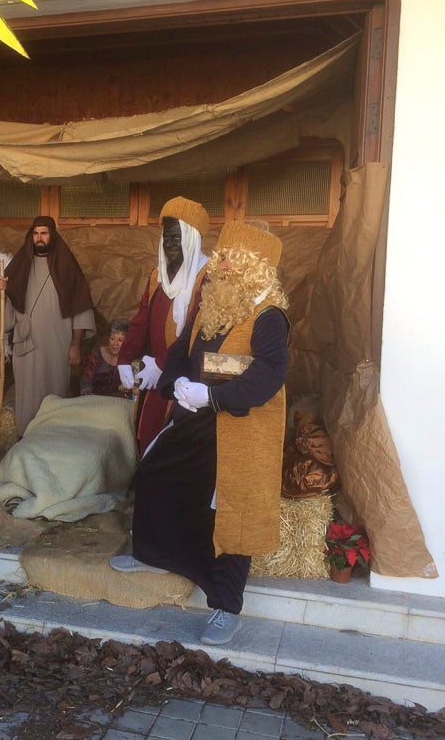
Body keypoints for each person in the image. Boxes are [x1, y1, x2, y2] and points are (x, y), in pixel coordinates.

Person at [109, 221, 289, 646]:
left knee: (230, 512)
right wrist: (175, 386)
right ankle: (154, 554)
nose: (218, 265)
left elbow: (268, 375)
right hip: (195, 416)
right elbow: (179, 351)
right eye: (220, 256)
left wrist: (212, 396)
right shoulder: (211, 304)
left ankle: (226, 607)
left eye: (228, 259)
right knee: (156, 472)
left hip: (237, 429)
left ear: (252, 267)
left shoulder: (269, 316)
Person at [0, 216, 95, 435]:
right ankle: (25, 437)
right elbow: (7, 312)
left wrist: (75, 344)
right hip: (27, 344)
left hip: (58, 344)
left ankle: (53, 437)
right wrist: (1, 293)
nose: (39, 238)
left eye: (44, 233)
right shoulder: (19, 267)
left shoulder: (67, 267)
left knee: (56, 391)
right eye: (35, 233)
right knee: (27, 394)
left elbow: (81, 307)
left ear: (52, 235)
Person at [118, 196, 209, 455]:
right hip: (155, 374)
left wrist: (163, 364)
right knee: (146, 433)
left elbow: (197, 330)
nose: (169, 244)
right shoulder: (157, 275)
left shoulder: (207, 277)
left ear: (191, 239)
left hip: (188, 377)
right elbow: (142, 318)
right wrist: (124, 358)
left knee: (173, 443)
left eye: (177, 237)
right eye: (166, 237)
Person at [80, 318, 131, 397]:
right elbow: (85, 382)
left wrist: (127, 390)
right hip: (93, 400)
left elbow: (135, 390)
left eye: (120, 340)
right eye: (112, 338)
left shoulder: (132, 358)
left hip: (120, 402)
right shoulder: (96, 353)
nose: (115, 344)